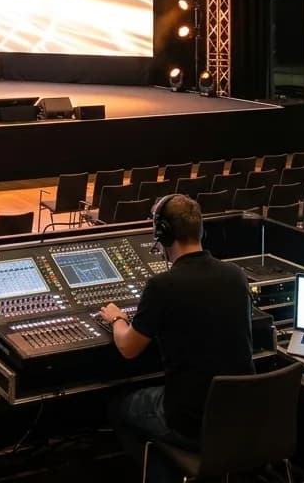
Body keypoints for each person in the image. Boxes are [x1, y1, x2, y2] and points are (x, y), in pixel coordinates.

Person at [100, 193, 254, 483]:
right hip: (240, 414)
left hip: (190, 422)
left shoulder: (163, 286)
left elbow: (129, 348)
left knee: (117, 406)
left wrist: (118, 318)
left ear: (162, 234)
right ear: (201, 229)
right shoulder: (236, 275)